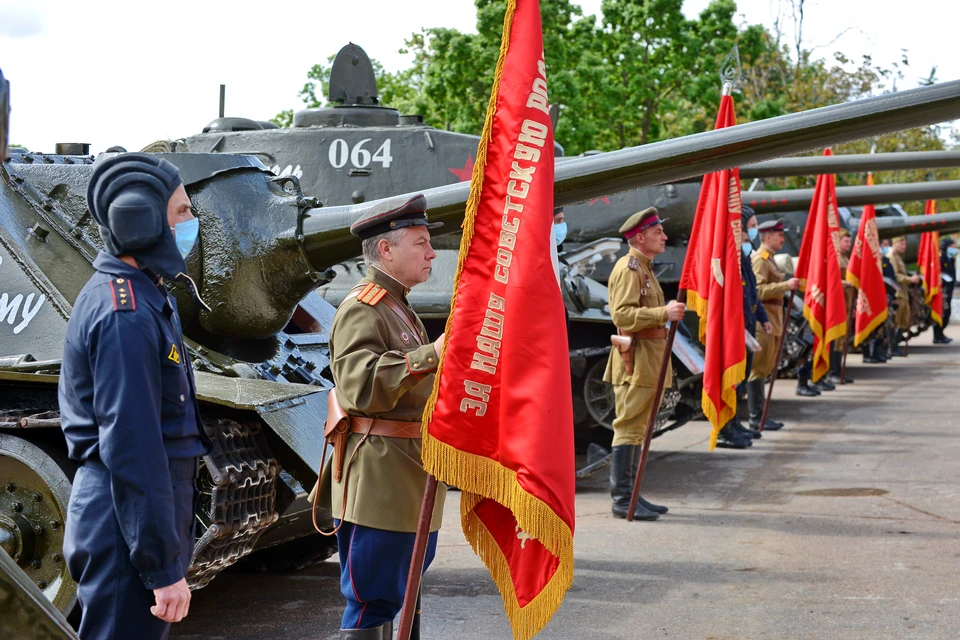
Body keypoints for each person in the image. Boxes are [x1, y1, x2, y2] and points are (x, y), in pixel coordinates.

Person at [59, 153, 212, 639]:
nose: (192, 222)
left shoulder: (145, 295)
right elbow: (133, 448)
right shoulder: (124, 313)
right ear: (144, 223)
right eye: (183, 211)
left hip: (134, 520)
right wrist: (161, 568)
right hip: (123, 527)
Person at [315, 194, 447, 639]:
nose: (431, 253)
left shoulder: (398, 304)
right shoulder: (363, 306)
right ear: (386, 250)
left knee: (404, 592)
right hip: (380, 479)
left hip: (406, 471)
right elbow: (358, 388)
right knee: (373, 598)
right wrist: (433, 354)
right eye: (421, 242)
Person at [603, 207, 685, 521]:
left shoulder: (644, 267)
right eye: (658, 233)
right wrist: (663, 314)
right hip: (634, 361)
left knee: (637, 431)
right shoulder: (630, 268)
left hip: (647, 359)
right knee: (627, 429)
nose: (664, 237)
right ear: (640, 236)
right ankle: (622, 499)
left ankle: (633, 494)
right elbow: (622, 316)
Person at [718, 206, 770, 448]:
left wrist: (763, 317)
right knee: (731, 379)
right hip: (734, 327)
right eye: (748, 228)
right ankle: (724, 429)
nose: (751, 235)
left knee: (741, 379)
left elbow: (752, 293)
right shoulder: (730, 256)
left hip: (746, 326)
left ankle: (735, 423)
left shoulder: (744, 256)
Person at [747, 219, 800, 429]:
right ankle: (755, 417)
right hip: (765, 320)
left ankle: (760, 415)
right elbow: (757, 291)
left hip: (774, 317)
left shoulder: (770, 260)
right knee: (758, 369)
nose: (782, 239)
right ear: (768, 237)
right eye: (779, 235)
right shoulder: (760, 260)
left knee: (765, 368)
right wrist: (784, 285)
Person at [827, 229, 856, 384]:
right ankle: (832, 371)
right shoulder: (837, 258)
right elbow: (832, 280)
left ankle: (838, 371)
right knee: (835, 338)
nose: (848, 244)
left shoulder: (845, 258)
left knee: (841, 340)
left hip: (846, 303)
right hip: (838, 304)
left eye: (849, 241)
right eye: (845, 241)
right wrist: (847, 283)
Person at [889, 235, 919, 357]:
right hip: (898, 293)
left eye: (904, 244)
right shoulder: (892, 258)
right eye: (901, 244)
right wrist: (910, 279)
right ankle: (892, 347)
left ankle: (895, 345)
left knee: (903, 320)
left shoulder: (898, 257)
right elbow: (896, 276)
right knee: (896, 321)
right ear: (894, 244)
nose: (903, 247)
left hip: (903, 292)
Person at [933, 237, 957, 344]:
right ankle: (937, 336)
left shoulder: (950, 258)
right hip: (943, 291)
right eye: (952, 247)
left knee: (947, 314)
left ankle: (941, 334)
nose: (954, 249)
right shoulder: (941, 258)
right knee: (942, 313)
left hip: (949, 289)